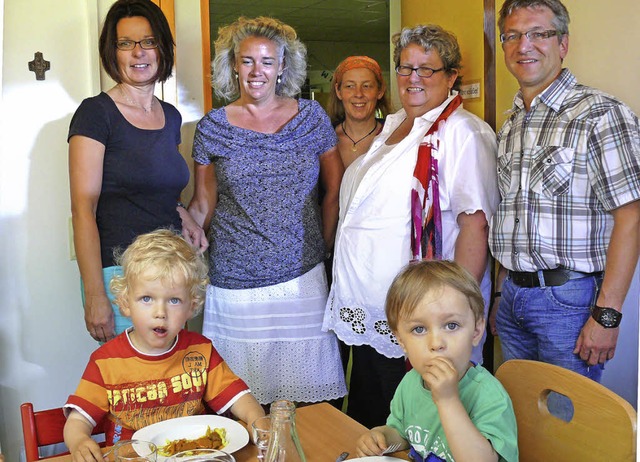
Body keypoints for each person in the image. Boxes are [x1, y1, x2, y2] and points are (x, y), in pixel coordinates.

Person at [323, 24, 499, 428]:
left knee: (410, 425)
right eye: (405, 68)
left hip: (419, 311)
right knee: (370, 419)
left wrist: (456, 312)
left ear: (452, 76)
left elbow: (475, 227)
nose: (413, 78)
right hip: (366, 304)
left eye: (427, 69)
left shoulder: (463, 134)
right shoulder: (395, 123)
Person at [187, 16, 347, 405]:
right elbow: (204, 201)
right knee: (241, 400)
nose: (257, 71)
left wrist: (321, 246)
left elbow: (335, 189)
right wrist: (181, 220)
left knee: (308, 402)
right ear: (233, 66)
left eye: (267, 61)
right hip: (234, 280)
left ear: (282, 67)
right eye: (247, 61)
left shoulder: (311, 119)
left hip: (302, 276)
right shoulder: (212, 127)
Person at [489, 0, 640, 382]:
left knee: (568, 423)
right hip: (513, 301)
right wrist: (500, 297)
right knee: (519, 419)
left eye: (539, 33)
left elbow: (631, 216)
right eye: (513, 35)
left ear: (563, 44)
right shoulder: (510, 127)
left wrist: (607, 315)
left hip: (569, 303)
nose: (525, 45)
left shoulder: (600, 113)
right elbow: (513, 215)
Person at [68, 0, 207, 344]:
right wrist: (96, 293)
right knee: (132, 387)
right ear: (112, 52)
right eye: (125, 43)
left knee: (171, 383)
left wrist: (185, 216)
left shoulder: (171, 116)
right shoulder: (95, 114)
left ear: (161, 48)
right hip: (123, 279)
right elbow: (82, 210)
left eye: (147, 41)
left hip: (172, 274)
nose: (138, 53)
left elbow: (159, 190)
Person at [63, 230, 264, 461]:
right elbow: (78, 420)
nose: (160, 313)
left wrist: (257, 420)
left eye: (174, 300)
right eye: (147, 299)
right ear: (125, 303)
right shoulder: (105, 361)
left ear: (192, 306)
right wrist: (79, 440)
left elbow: (239, 398)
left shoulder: (201, 350)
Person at [356, 260, 518, 461]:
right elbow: (403, 433)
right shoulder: (410, 383)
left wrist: (448, 400)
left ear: (476, 331)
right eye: (419, 329)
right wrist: (382, 438)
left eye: (451, 325)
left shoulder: (489, 396)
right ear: (401, 341)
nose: (436, 343)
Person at [327, 56, 392, 168]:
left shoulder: (394, 136)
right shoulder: (323, 138)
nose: (358, 94)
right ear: (338, 91)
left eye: (366, 86)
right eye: (350, 86)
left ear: (380, 91)